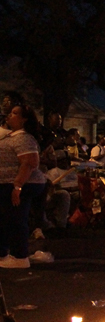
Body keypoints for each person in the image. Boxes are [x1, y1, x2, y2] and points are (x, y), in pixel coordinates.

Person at [0, 104, 46, 268]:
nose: (9, 115)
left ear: (24, 119)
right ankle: (4, 253)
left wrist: (18, 186)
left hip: (22, 183)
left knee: (16, 219)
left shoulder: (24, 138)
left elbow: (29, 163)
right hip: (7, 183)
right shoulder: (10, 136)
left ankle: (20, 257)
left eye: (15, 113)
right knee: (5, 219)